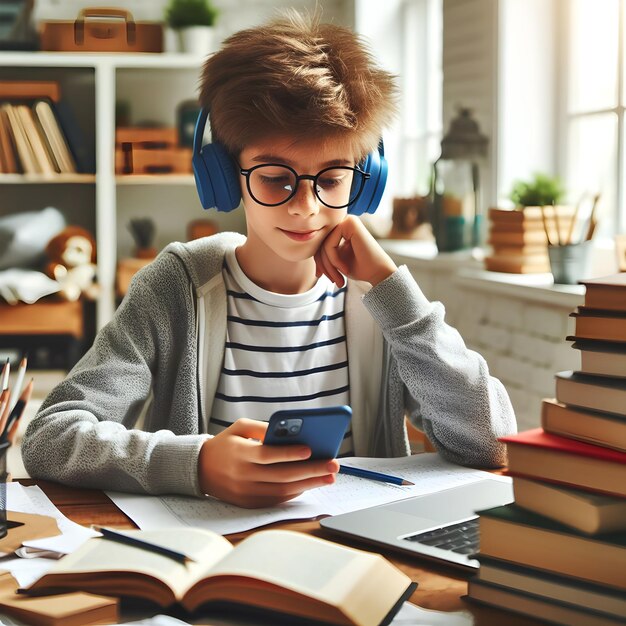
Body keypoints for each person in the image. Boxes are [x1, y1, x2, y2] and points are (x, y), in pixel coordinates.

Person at [22, 11, 516, 508]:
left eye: (331, 178)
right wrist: (197, 463)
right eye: (276, 177)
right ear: (224, 174)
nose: (306, 206)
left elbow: (490, 440)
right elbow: (50, 437)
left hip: (353, 553)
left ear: (366, 180)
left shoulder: (381, 300)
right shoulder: (178, 287)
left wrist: (391, 288)